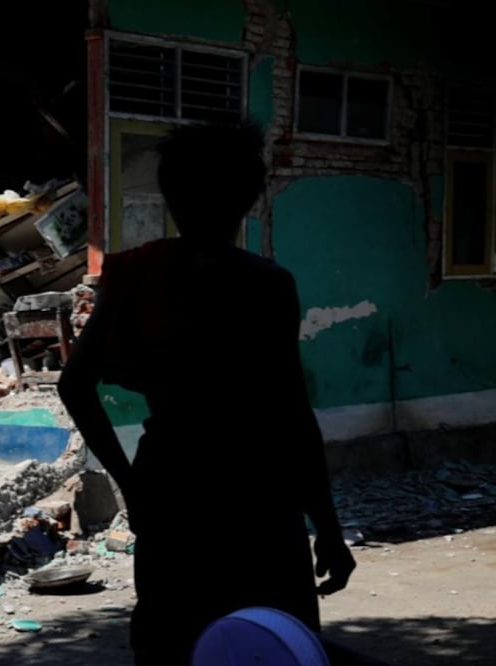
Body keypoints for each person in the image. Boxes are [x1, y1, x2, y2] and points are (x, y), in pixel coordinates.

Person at [57, 121, 356, 665]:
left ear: (171, 197)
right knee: (272, 644)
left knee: (175, 641)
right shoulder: (267, 286)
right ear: (249, 197)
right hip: (258, 498)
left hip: (171, 489)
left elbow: (74, 383)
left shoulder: (134, 277)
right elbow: (293, 417)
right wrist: (328, 529)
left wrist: (130, 485)